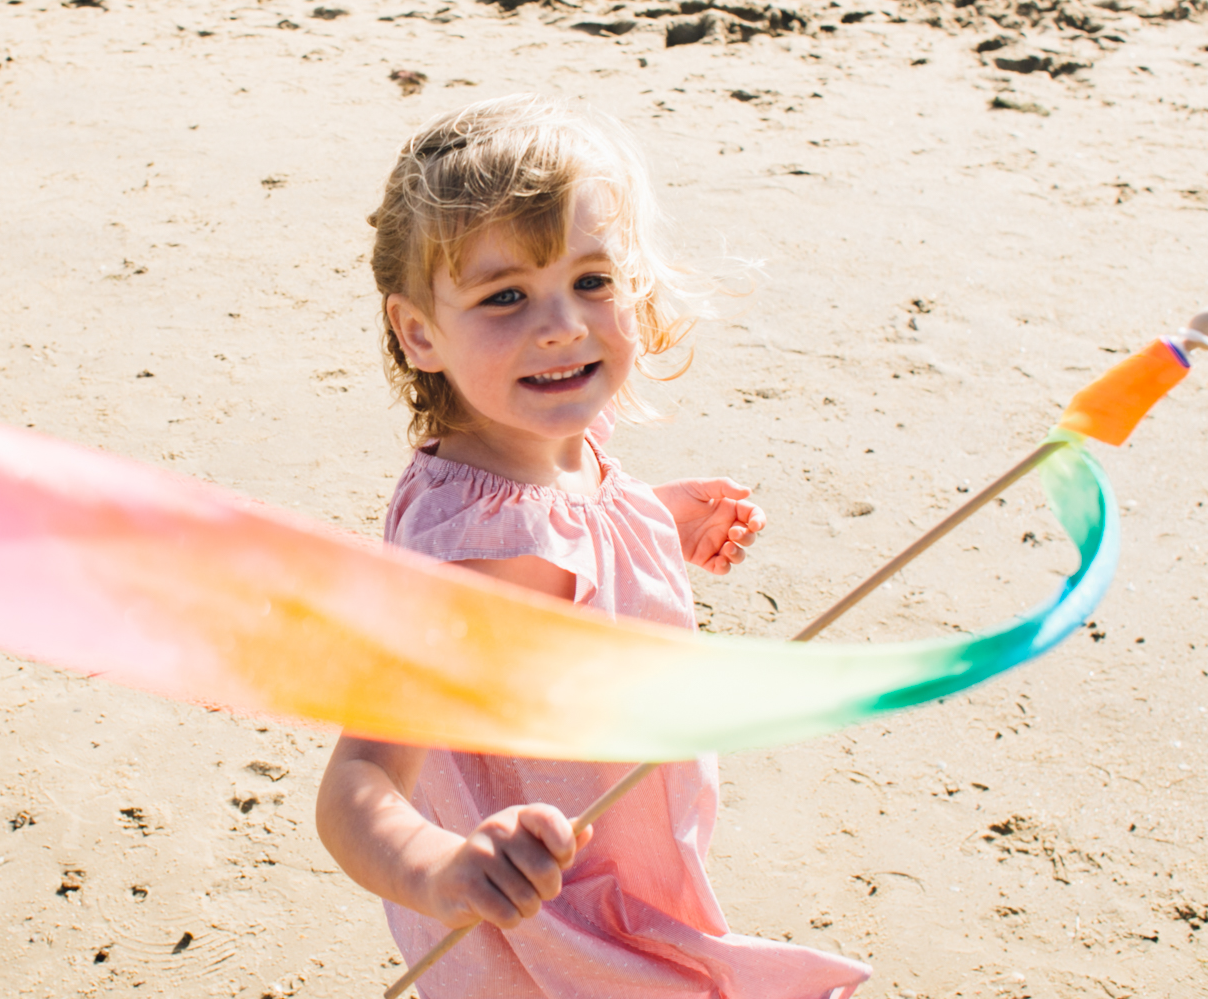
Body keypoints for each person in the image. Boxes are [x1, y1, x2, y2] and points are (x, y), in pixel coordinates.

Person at [315, 95, 871, 999]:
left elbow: (561, 544)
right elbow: (359, 784)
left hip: (619, 860)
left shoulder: (543, 448)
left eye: (592, 281)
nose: (563, 324)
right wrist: (441, 869)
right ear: (419, 331)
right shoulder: (472, 560)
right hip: (551, 925)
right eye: (506, 296)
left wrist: (646, 518)